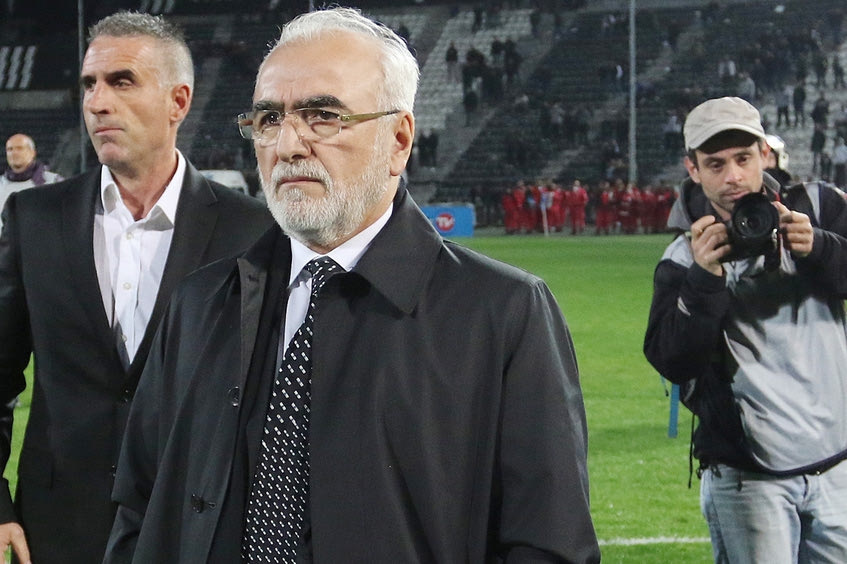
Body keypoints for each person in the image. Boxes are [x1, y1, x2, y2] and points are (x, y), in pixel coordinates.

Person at [104, 7, 599, 562]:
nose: (287, 145)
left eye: (322, 116)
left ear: (399, 140)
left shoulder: (503, 313)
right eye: (269, 119)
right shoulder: (201, 302)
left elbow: (548, 544)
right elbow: (140, 507)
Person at [0, 11, 274, 564]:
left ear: (178, 102)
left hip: (198, 530)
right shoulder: (35, 219)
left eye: (122, 81)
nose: (97, 102)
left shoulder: (252, 231)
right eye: (89, 84)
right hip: (59, 530)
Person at [644, 96, 847, 564]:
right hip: (748, 476)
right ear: (693, 170)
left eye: (743, 159)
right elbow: (673, 361)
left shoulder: (817, 208)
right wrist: (703, 280)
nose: (733, 176)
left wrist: (820, 247)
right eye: (715, 164)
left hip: (837, 463)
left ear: (765, 155)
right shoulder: (684, 256)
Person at [0, 134, 63, 267]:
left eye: (19, 148)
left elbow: (66, 223)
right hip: (1, 265)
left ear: (32, 152)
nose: (14, 153)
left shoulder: (53, 182)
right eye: (10, 149)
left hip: (41, 265)